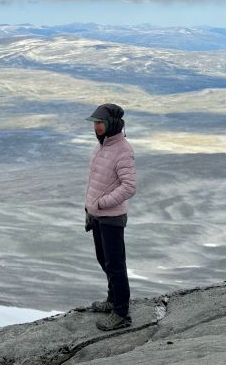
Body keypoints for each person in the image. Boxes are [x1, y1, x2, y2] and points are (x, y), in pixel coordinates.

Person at [84, 103, 137, 331]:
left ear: (112, 124)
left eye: (100, 122)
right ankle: (112, 300)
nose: (96, 127)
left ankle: (121, 313)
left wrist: (101, 204)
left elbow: (130, 186)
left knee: (115, 265)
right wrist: (89, 209)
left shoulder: (123, 150)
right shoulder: (102, 146)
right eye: (95, 122)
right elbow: (96, 182)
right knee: (103, 260)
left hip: (112, 218)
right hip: (98, 216)